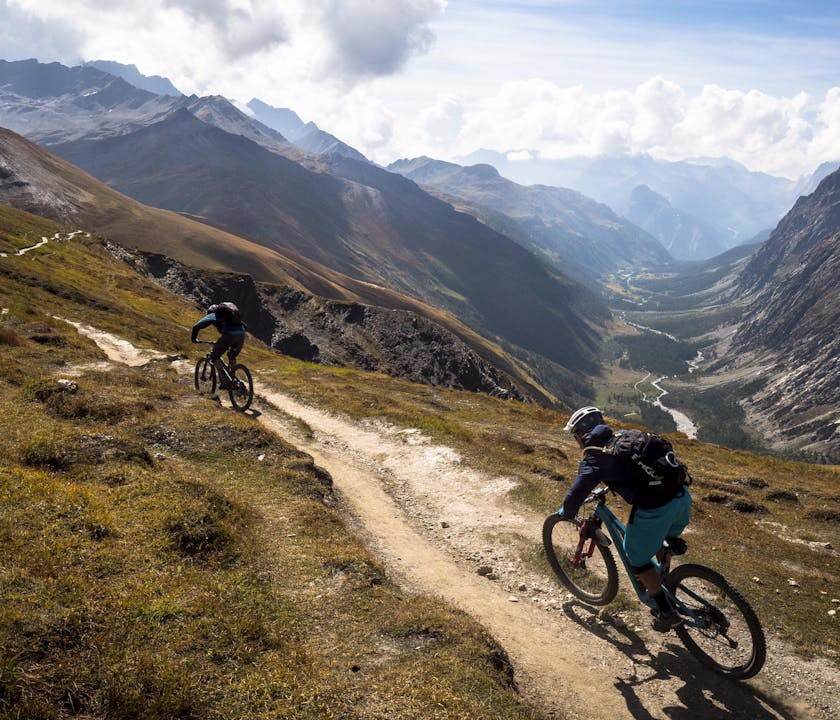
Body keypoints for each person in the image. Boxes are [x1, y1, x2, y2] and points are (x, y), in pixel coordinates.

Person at [557, 406, 692, 631]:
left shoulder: (595, 459)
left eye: (575, 437)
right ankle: (666, 580)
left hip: (656, 508)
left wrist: (567, 513)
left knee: (635, 557)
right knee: (660, 541)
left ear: (581, 435)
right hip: (682, 496)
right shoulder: (625, 436)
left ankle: (666, 611)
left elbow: (575, 496)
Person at [191, 302, 247, 389]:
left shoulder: (213, 314)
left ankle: (225, 380)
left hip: (229, 334)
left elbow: (196, 326)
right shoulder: (232, 316)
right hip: (241, 334)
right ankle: (233, 377)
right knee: (231, 355)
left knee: (214, 356)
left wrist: (194, 339)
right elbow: (245, 326)